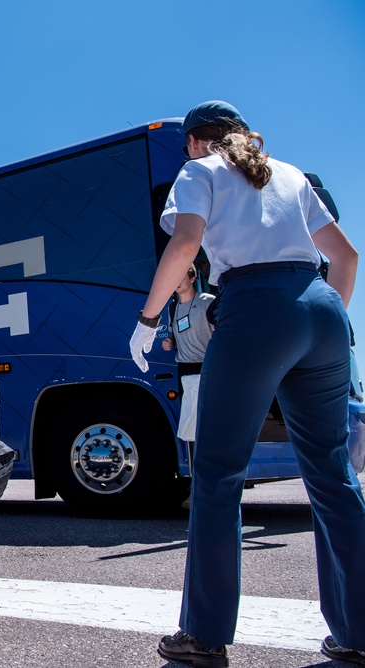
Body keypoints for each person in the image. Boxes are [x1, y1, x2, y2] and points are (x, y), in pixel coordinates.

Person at [130, 101, 365, 668]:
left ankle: (204, 635)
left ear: (193, 141)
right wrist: (312, 323)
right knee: (333, 474)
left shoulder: (199, 171)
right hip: (323, 308)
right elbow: (346, 256)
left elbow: (185, 245)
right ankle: (359, 632)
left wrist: (146, 320)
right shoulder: (288, 173)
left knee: (217, 474)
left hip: (254, 308)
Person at [160, 264, 215, 472]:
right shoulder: (173, 308)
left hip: (207, 368)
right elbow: (176, 333)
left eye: (182, 276)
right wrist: (169, 341)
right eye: (174, 277)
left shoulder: (207, 302)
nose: (178, 281)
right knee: (190, 426)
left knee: (208, 424)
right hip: (185, 370)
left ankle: (213, 471)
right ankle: (196, 476)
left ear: (192, 278)